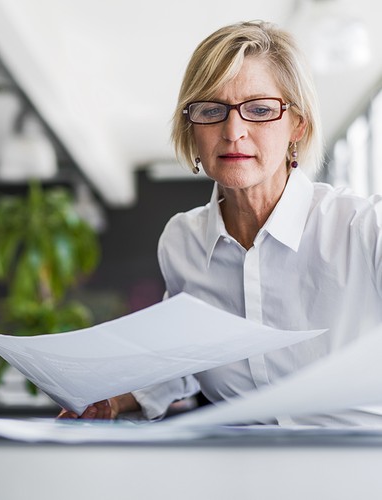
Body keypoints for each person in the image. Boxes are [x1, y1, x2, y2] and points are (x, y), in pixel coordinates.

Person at [59, 20, 382, 425]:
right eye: (211, 111)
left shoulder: (365, 229)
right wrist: (114, 399)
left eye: (260, 110)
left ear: (297, 125)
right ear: (191, 129)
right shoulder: (184, 242)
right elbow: (186, 355)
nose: (233, 132)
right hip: (240, 471)